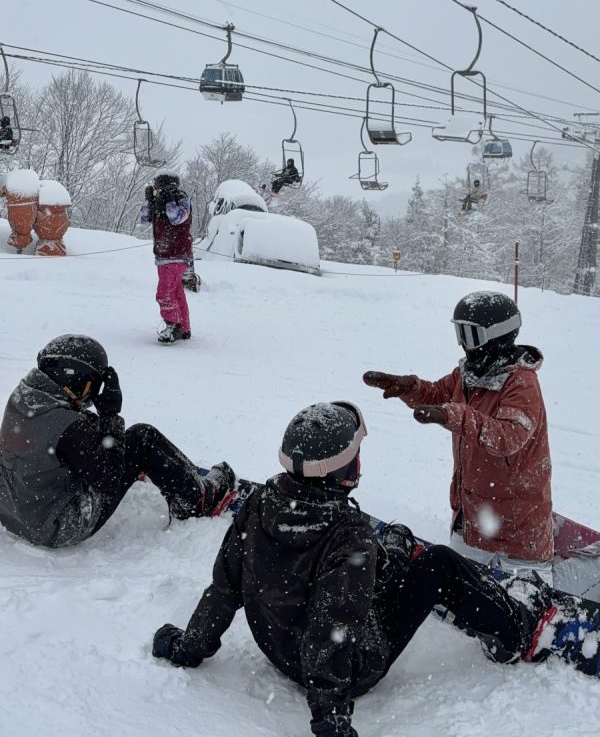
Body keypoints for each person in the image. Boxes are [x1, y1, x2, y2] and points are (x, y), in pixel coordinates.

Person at [151, 400, 548, 736]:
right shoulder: (347, 535)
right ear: (345, 470)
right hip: (345, 671)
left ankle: (389, 555)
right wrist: (331, 718)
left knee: (359, 570)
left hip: (278, 646)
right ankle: (517, 629)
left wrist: (190, 646)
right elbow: (333, 627)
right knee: (440, 564)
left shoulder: (259, 504)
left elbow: (224, 589)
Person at [364, 291, 553, 582]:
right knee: (457, 603)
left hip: (515, 537)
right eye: (460, 333)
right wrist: (407, 388)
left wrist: (454, 415)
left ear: (497, 337)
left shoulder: (522, 383)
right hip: (471, 519)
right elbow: (435, 394)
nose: (465, 345)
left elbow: (507, 437)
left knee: (505, 613)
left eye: (471, 335)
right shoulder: (469, 374)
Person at [0, 334, 236, 548]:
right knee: (143, 438)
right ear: (77, 381)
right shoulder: (69, 427)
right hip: (55, 526)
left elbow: (61, 434)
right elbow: (109, 479)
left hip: (13, 512)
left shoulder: (27, 395)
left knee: (92, 431)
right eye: (94, 384)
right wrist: (110, 416)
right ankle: (198, 499)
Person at [140, 172, 193, 344]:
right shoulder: (159, 201)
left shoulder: (182, 200)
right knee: (176, 292)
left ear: (167, 185)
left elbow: (176, 218)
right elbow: (144, 219)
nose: (155, 188)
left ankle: (173, 325)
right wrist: (149, 200)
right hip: (164, 254)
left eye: (157, 185)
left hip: (176, 254)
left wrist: (169, 200)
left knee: (164, 293)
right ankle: (184, 327)